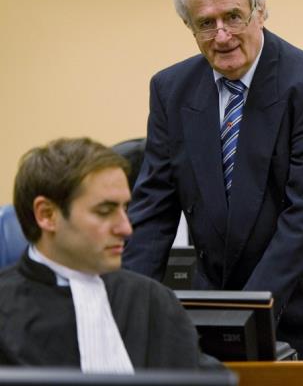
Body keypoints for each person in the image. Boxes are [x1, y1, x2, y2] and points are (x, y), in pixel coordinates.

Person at [121, 0, 303, 360]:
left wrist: (245, 313)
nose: (222, 36)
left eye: (233, 17)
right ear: (189, 26)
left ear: (260, 11)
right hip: (219, 305)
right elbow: (153, 209)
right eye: (206, 23)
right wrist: (124, 304)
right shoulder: (171, 90)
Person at [0, 137, 215, 371]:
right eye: (104, 211)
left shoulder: (153, 301)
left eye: (125, 209)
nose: (126, 229)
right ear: (47, 215)